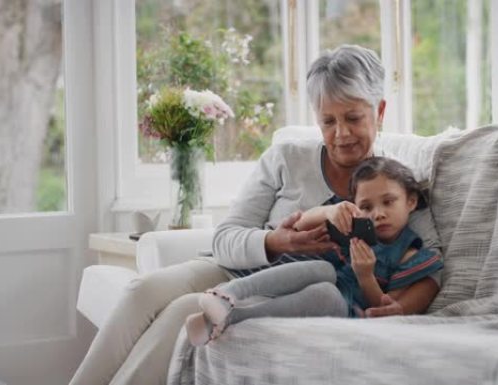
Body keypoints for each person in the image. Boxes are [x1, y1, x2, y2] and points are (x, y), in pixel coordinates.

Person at [69, 44, 442, 385]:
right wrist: (273, 240)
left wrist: (399, 304)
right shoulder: (286, 159)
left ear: (379, 111)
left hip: (289, 288)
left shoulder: (392, 185)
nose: (341, 133)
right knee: (142, 290)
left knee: (179, 312)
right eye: (328, 121)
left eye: (353, 118)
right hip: (233, 269)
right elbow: (225, 237)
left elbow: (429, 259)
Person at [186, 157, 443, 345]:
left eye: (388, 202)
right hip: (309, 282)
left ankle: (230, 318)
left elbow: (385, 309)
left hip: (345, 307)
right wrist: (330, 211)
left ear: (410, 200)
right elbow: (301, 223)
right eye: (366, 206)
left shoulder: (414, 257)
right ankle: (225, 294)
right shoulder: (353, 228)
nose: (378, 214)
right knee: (323, 268)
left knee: (327, 294)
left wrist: (365, 276)